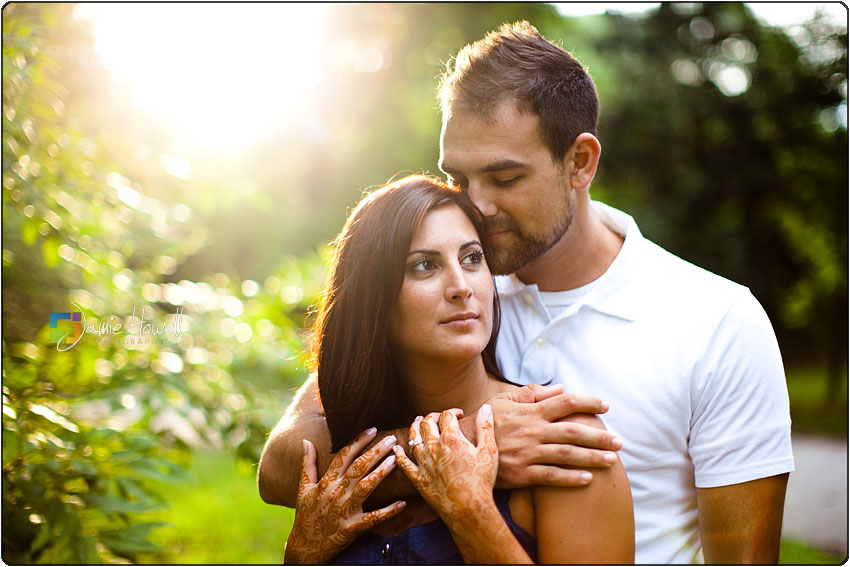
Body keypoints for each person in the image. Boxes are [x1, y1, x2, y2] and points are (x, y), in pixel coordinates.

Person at [260, 20, 794, 563]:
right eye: (459, 177)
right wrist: (472, 441)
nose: (477, 204)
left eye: (505, 178)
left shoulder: (719, 322)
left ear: (580, 163)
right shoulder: (461, 292)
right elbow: (282, 466)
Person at [281, 175, 634, 564]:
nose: (461, 286)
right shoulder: (350, 456)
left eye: (472, 258)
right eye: (425, 266)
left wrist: (469, 511)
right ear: (373, 299)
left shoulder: (558, 440)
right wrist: (301, 554)